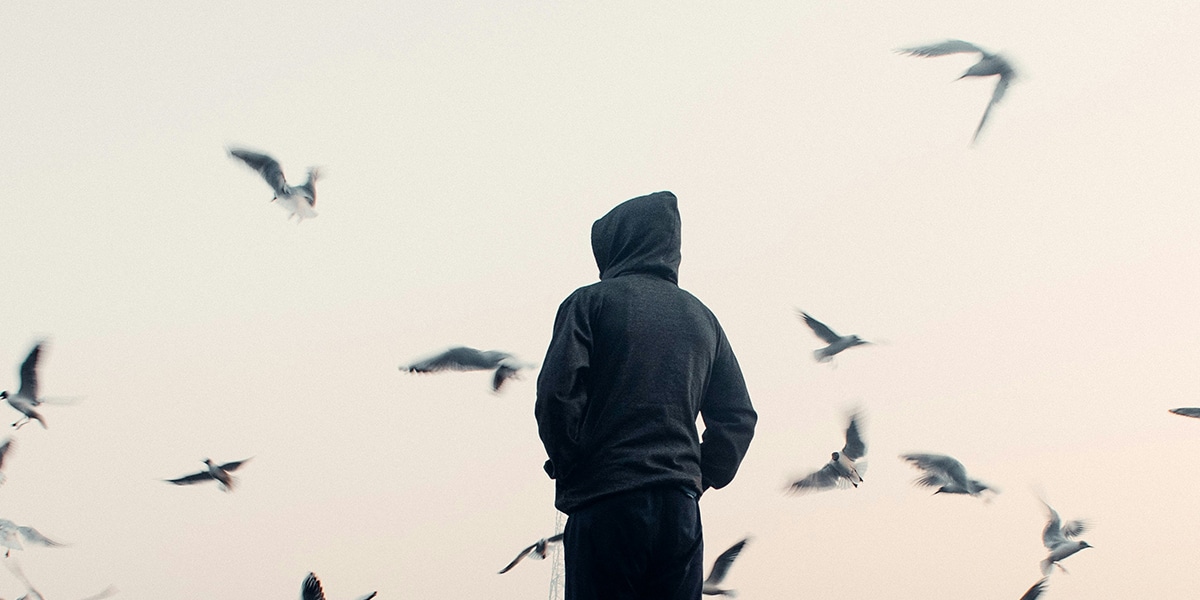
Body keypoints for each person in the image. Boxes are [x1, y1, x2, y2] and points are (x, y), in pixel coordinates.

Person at [535, 191, 757, 600]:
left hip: (606, 501)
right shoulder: (703, 319)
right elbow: (738, 417)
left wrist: (571, 465)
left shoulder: (589, 302)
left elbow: (557, 395)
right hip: (680, 514)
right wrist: (698, 477)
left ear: (618, 244)